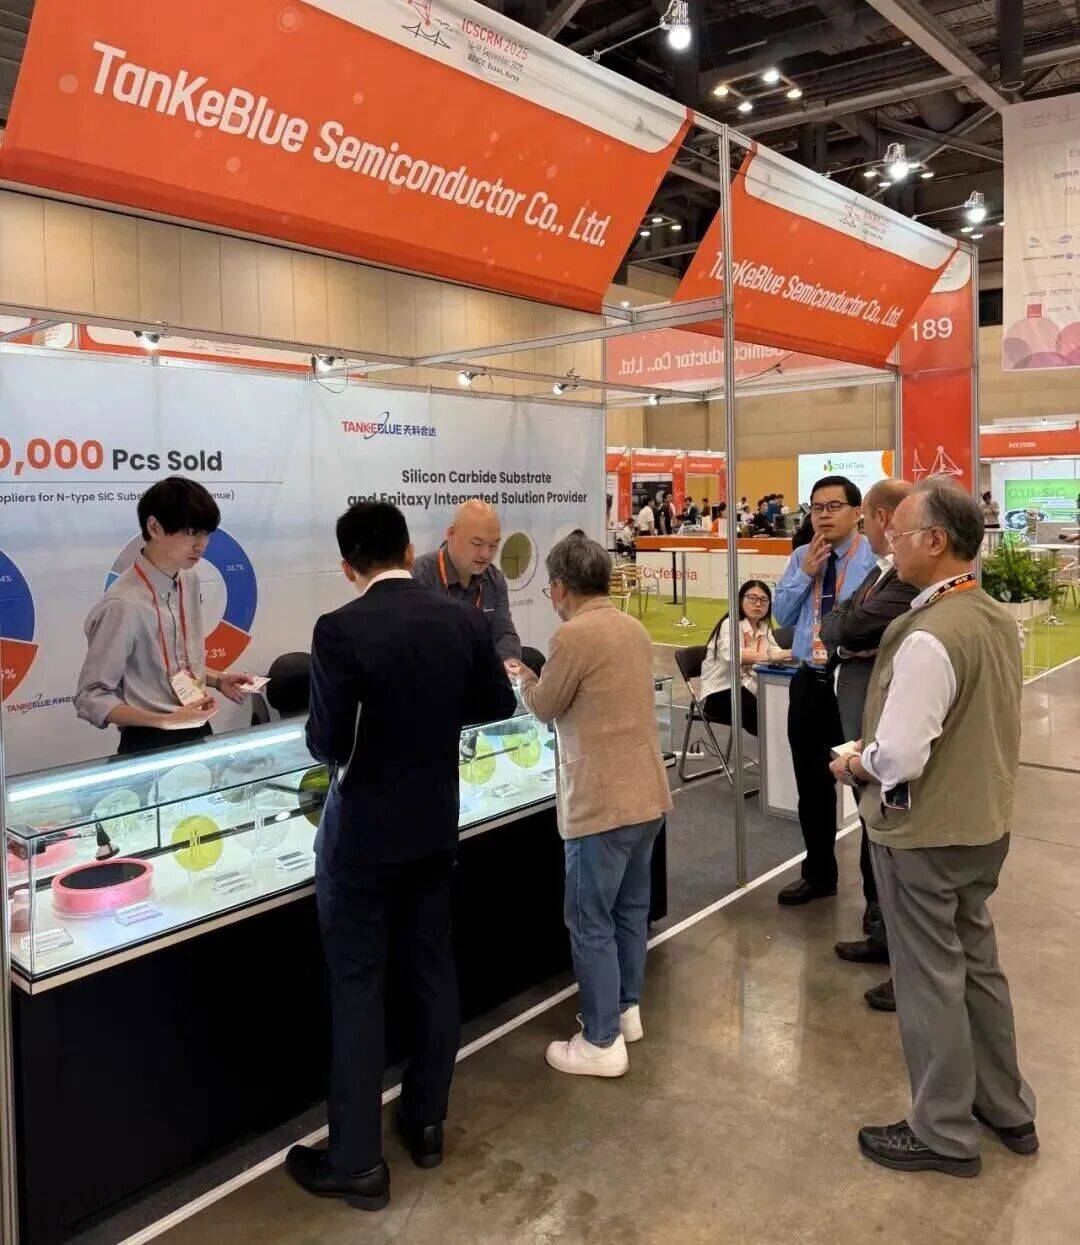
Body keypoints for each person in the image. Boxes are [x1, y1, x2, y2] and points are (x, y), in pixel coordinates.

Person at [287, 502, 516, 1212]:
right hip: (433, 824)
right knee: (431, 970)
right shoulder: (462, 620)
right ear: (411, 547)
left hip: (361, 837)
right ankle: (426, 1121)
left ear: (347, 566)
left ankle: (357, 1162)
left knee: (358, 988)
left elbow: (327, 742)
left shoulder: (339, 628)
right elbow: (499, 703)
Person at [831, 478, 1036, 1178]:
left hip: (926, 833)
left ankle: (942, 1128)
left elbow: (900, 756)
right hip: (982, 824)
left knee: (929, 981)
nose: (888, 541)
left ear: (936, 541)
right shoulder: (990, 616)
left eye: (900, 531)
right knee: (977, 966)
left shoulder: (929, 635)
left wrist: (856, 762)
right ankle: (1005, 1105)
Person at [509, 536, 672, 1078]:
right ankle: (625, 1011)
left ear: (559, 588)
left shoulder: (572, 636)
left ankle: (601, 1041)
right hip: (646, 794)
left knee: (589, 921)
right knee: (629, 911)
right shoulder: (633, 628)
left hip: (602, 802)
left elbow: (545, 707)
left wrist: (524, 678)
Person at [819, 479, 917, 1007]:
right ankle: (882, 935)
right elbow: (838, 623)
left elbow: (851, 622)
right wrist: (843, 631)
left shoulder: (904, 581)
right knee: (871, 825)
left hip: (886, 726)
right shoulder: (882, 571)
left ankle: (906, 963)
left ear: (875, 516)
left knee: (892, 834)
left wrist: (843, 630)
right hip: (857, 705)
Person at [74, 476, 254, 755]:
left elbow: (168, 666)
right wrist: (165, 721)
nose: (201, 545)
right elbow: (90, 696)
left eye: (206, 533)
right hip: (149, 739)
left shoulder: (188, 578)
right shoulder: (123, 604)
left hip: (197, 722)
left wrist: (218, 679)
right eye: (191, 532)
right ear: (154, 527)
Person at [774, 475, 878, 905]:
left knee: (864, 790)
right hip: (809, 683)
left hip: (852, 685)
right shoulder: (802, 556)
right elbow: (781, 615)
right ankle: (818, 875)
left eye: (834, 506)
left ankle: (876, 898)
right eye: (817, 508)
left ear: (857, 513)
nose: (823, 515)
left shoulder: (874, 559)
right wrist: (806, 574)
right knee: (811, 786)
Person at [413, 499, 521, 670]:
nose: (486, 554)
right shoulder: (419, 578)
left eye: (494, 545)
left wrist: (508, 664)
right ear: (451, 534)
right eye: (477, 544)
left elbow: (504, 633)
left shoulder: (494, 579)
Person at [699, 580, 791, 737]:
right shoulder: (730, 624)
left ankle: (780, 747)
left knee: (785, 705)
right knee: (765, 714)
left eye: (764, 600)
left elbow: (776, 651)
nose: (758, 604)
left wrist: (793, 653)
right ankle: (775, 748)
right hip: (720, 693)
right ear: (741, 600)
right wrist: (773, 656)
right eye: (752, 598)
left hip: (748, 687)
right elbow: (734, 656)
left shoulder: (763, 627)